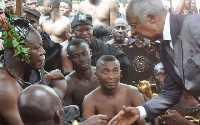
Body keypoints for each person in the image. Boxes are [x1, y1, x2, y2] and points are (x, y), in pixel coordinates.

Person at [108, 0, 200, 124]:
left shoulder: (194, 25)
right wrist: (140, 112)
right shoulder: (164, 48)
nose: (133, 33)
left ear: (151, 18)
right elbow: (171, 92)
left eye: (134, 25)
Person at [0, 12, 46, 125]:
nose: (43, 52)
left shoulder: (24, 71)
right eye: (37, 48)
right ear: (19, 53)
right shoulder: (5, 85)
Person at [82, 55, 146, 125]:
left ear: (120, 73)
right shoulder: (89, 100)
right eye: (105, 72)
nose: (111, 76)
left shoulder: (133, 93)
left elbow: (144, 123)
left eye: (115, 71)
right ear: (96, 75)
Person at [71, 13, 130, 82]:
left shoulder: (105, 49)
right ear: (73, 32)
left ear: (92, 30)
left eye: (88, 29)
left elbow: (125, 65)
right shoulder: (69, 49)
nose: (84, 33)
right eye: (79, 30)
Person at [64, 39, 108, 125]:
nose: (81, 59)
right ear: (69, 58)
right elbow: (69, 117)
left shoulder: (104, 75)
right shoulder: (68, 84)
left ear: (90, 52)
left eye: (84, 54)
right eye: (76, 56)